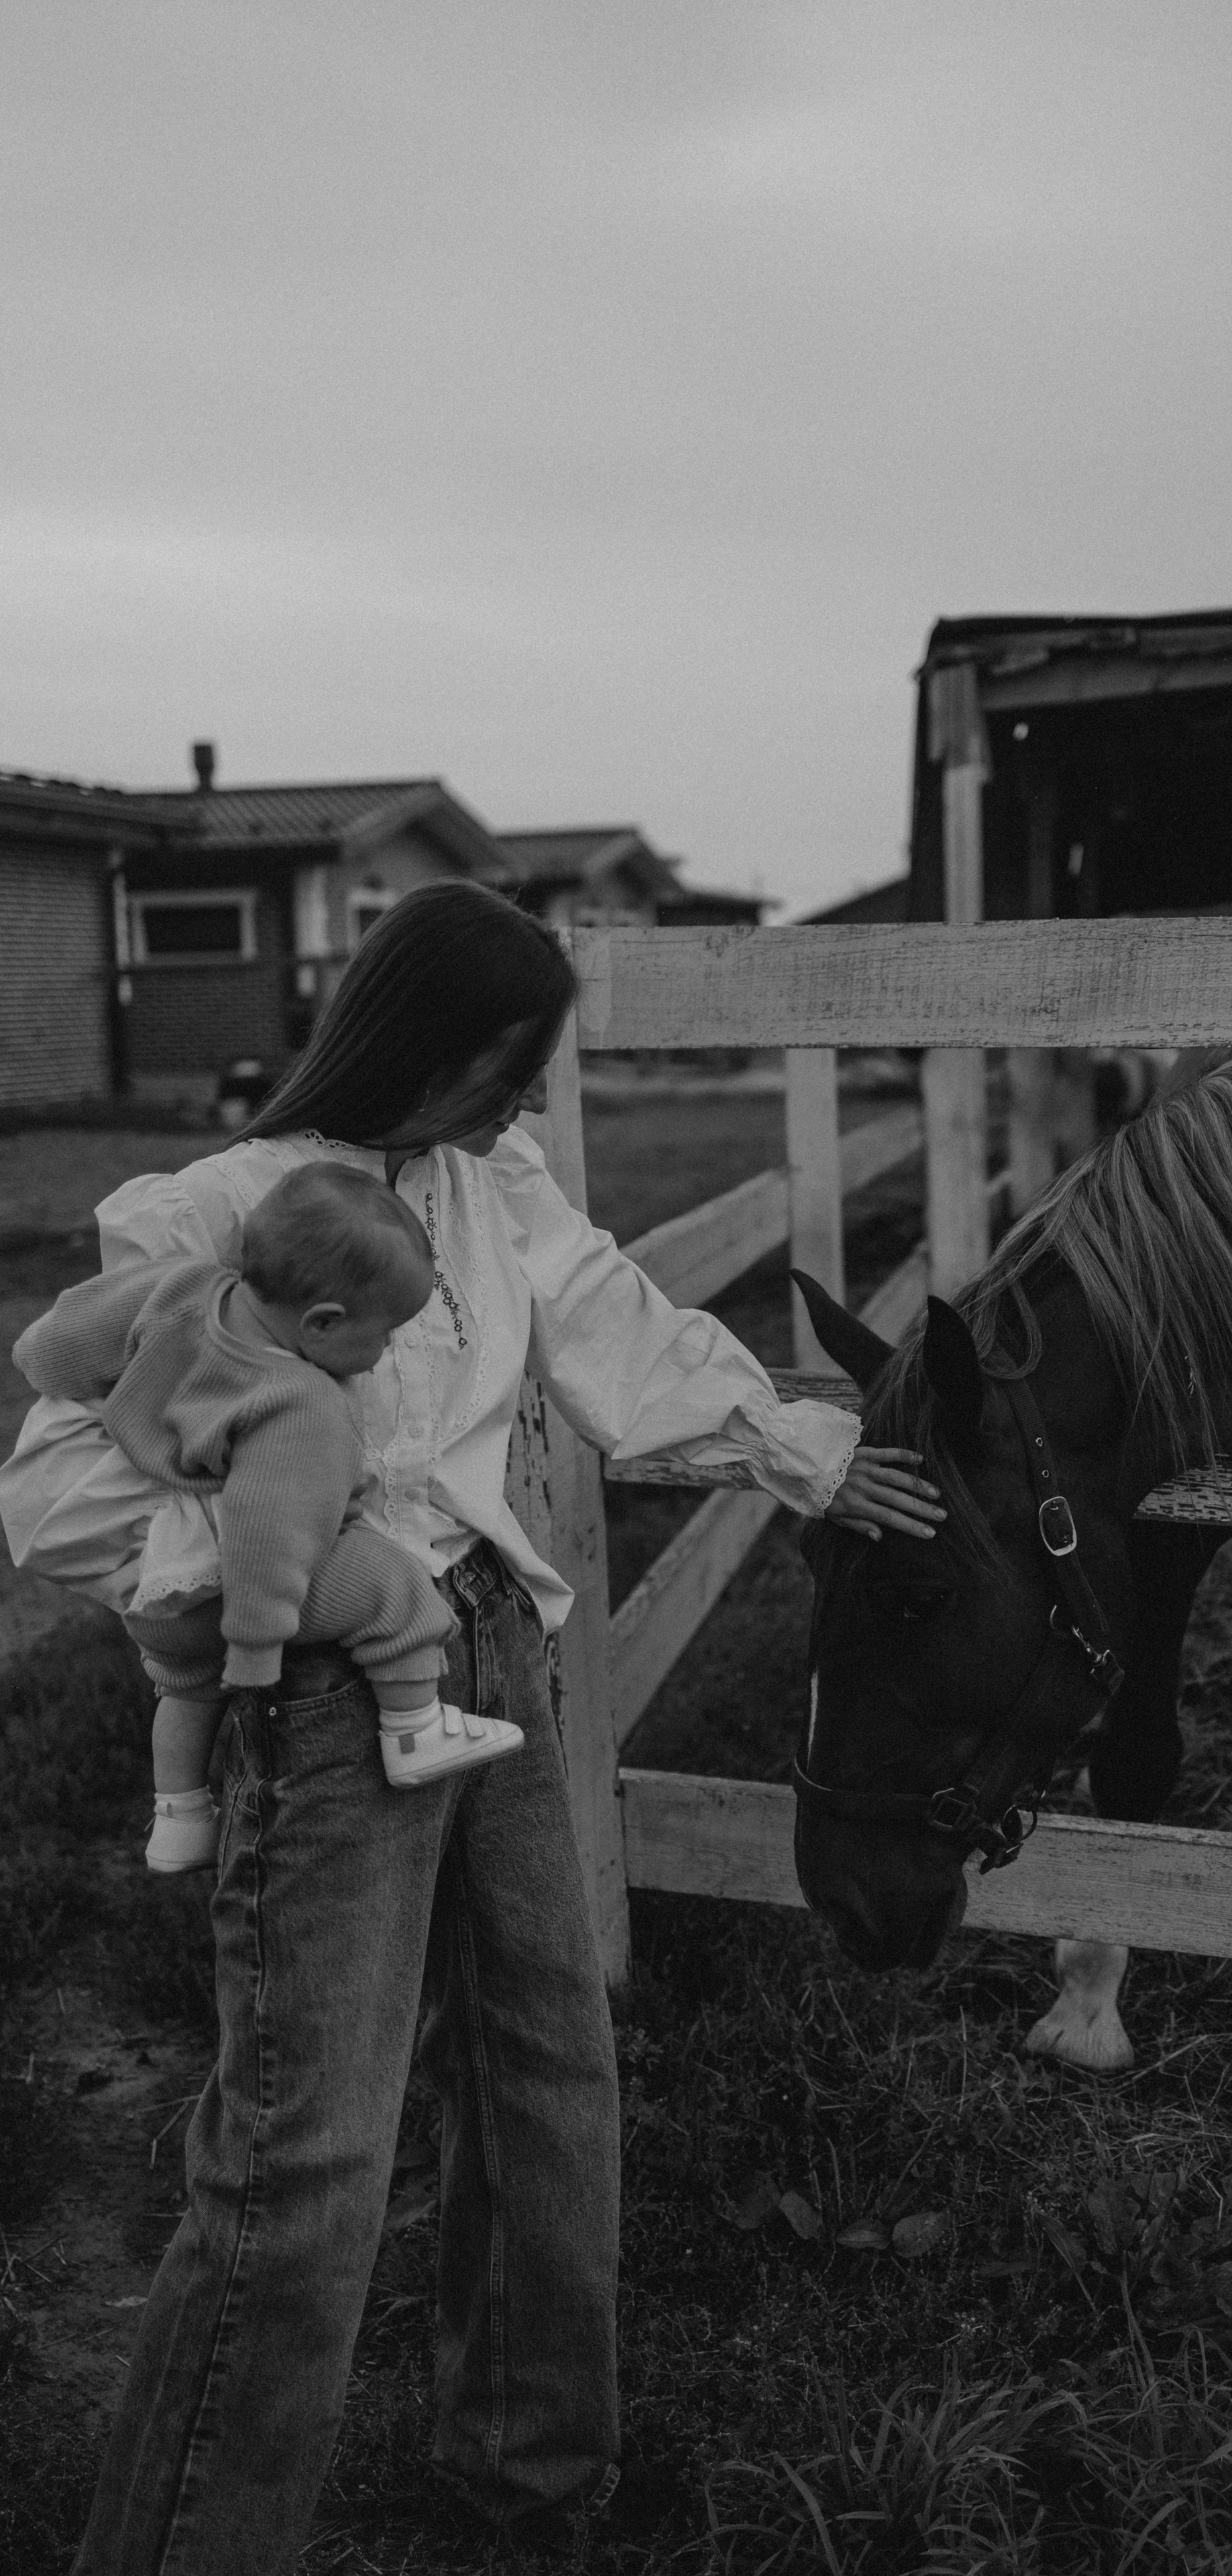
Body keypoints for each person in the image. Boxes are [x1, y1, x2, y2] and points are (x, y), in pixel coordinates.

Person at [0, 881, 944, 2571]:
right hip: (327, 1700)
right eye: (500, 1069)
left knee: (546, 2068)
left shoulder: (484, 1183)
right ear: (411, 1043)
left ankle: (530, 2488)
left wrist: (799, 1448)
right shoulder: (218, 1213)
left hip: (494, 1644)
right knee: (306, 2157)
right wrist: (293, 1555)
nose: (521, 1103)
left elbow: (614, 1328)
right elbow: (56, 1491)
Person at [11, 1163, 524, 1876]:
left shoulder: (183, 1290)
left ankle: (178, 1816)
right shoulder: (296, 1403)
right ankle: (414, 1729)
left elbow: (65, 1337)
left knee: (186, 1690)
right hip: (231, 1600)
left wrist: (37, 1363)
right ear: (322, 1324)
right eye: (384, 1334)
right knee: (394, 1585)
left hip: (158, 1593)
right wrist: (255, 1649)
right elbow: (268, 1537)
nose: (384, 1353)